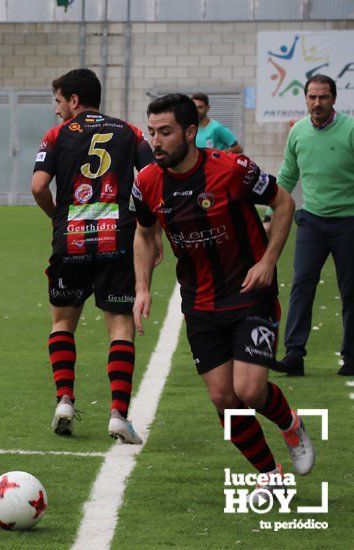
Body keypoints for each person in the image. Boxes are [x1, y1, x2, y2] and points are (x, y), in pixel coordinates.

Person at [132, 94, 313, 495]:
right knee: (224, 400)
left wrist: (268, 260)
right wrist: (142, 287)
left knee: (249, 390)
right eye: (152, 133)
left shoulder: (232, 169)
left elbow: (283, 203)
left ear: (191, 132)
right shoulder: (146, 181)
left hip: (250, 294)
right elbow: (144, 233)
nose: (156, 141)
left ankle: (291, 425)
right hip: (199, 302)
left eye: (166, 132)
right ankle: (270, 475)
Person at [30, 68, 154, 443]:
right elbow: (150, 181)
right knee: (120, 327)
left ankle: (65, 401)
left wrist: (58, 217)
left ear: (74, 100)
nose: (56, 111)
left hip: (71, 240)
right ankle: (118, 415)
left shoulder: (55, 136)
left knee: (62, 323)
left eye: (58, 102)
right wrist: (152, 232)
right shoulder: (130, 132)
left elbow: (37, 186)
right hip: (118, 239)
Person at [274, 75, 354, 377]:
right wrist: (271, 213)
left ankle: (352, 357)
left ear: (334, 99)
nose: (317, 103)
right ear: (305, 99)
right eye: (312, 97)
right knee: (301, 285)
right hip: (312, 221)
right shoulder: (298, 133)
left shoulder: (350, 130)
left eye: (323, 97)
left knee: (350, 292)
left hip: (349, 221)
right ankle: (294, 354)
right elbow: (287, 176)